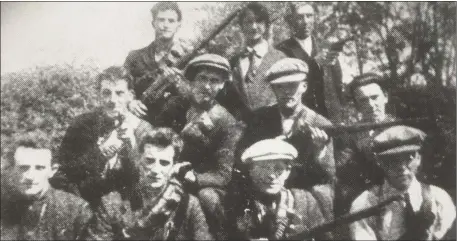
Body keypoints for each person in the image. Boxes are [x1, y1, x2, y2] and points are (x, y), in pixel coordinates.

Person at [49, 66, 154, 207]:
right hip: (89, 203)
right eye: (106, 93)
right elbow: (64, 172)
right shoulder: (81, 124)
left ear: (131, 95)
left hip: (129, 206)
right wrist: (101, 152)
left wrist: (132, 146)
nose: (112, 100)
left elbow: (150, 177)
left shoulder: (144, 129)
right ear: (99, 95)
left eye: (119, 93)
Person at [86, 128, 212, 240]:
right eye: (150, 161)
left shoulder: (188, 205)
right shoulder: (112, 203)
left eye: (164, 163)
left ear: (173, 165)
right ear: (139, 160)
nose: (156, 170)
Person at [171, 53, 245, 238]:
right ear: (191, 81)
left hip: (200, 183)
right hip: (164, 171)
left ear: (221, 86)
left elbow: (223, 175)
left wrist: (194, 177)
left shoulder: (226, 122)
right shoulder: (175, 107)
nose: (206, 86)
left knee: (208, 197)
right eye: (202, 78)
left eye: (214, 81)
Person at [239, 58, 336, 190]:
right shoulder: (260, 118)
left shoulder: (319, 123)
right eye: (279, 86)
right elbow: (243, 156)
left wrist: (319, 151)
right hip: (264, 187)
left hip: (302, 191)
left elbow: (329, 176)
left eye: (292, 85)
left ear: (304, 86)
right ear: (273, 89)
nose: (286, 91)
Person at [349, 126, 456, 240]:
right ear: (380, 163)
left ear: (418, 158)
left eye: (409, 157)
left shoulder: (439, 199)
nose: (402, 167)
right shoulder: (365, 205)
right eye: (392, 160)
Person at [225, 139, 332, 240]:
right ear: (250, 171)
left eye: (278, 168)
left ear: (287, 172)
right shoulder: (236, 204)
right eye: (264, 168)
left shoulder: (304, 201)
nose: (271, 175)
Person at [1, 138, 91, 240]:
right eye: (23, 168)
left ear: (52, 170)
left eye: (39, 168)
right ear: (12, 169)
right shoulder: (3, 206)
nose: (30, 176)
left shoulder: (75, 210)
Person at [334, 73, 394, 222]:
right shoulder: (350, 135)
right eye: (363, 100)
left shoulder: (401, 128)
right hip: (365, 201)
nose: (370, 105)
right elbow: (344, 172)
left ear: (385, 97)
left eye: (374, 97)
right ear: (357, 105)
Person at [124, 2, 193, 131]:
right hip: (137, 123)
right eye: (161, 20)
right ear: (153, 23)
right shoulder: (134, 57)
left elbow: (195, 95)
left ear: (179, 25)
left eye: (171, 21)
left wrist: (178, 82)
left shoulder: (187, 59)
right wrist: (130, 102)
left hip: (172, 127)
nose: (165, 25)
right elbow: (122, 86)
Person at [217, 2, 286, 122]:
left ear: (266, 25)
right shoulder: (233, 62)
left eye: (259, 21)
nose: (254, 27)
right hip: (242, 131)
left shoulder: (280, 58)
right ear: (241, 26)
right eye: (248, 22)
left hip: (274, 127)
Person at [276, 2, 343, 118]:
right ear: (290, 21)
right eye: (300, 17)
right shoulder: (282, 49)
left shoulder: (325, 45)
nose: (306, 21)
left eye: (309, 16)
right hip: (301, 116)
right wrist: (314, 63)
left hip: (331, 115)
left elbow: (338, 83)